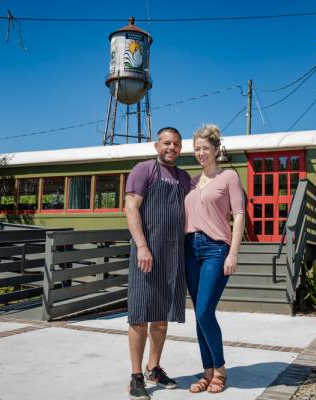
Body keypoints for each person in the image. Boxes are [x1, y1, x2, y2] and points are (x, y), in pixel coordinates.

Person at [124, 127, 191, 400]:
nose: (171, 148)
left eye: (176, 144)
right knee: (139, 316)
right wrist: (142, 246)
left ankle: (154, 369)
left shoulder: (184, 178)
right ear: (156, 145)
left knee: (161, 319)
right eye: (166, 143)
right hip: (146, 254)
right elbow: (130, 208)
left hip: (173, 256)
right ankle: (136, 376)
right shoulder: (144, 170)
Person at [184, 124, 245, 394]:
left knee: (204, 311)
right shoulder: (192, 182)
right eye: (196, 149)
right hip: (190, 249)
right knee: (198, 316)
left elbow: (240, 214)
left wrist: (233, 251)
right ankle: (207, 372)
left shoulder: (229, 177)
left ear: (216, 150)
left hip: (215, 249)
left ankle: (219, 369)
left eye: (205, 148)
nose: (200, 153)